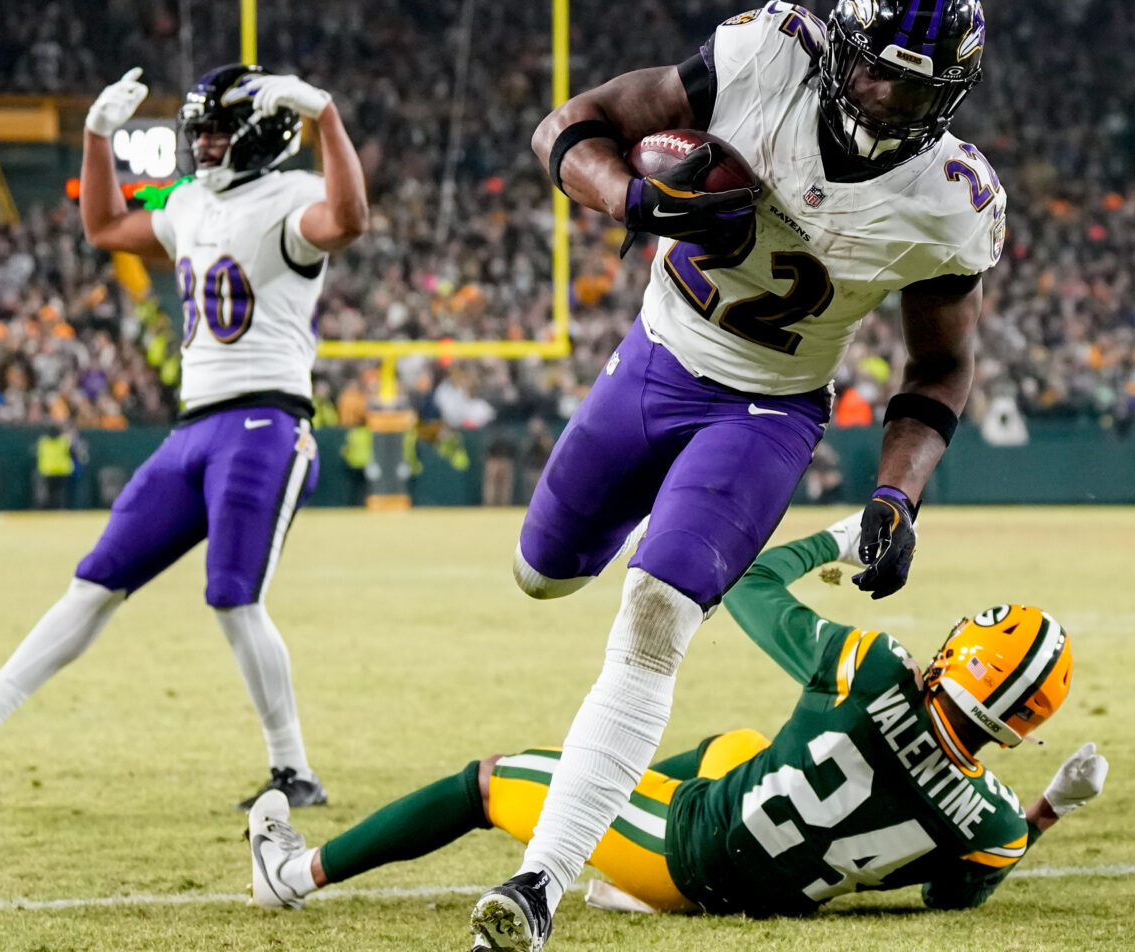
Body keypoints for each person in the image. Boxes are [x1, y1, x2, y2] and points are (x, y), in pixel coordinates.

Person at [479, 3, 1006, 945]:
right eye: (884, 73)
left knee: (654, 617)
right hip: (653, 362)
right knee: (541, 572)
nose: (895, 101)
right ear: (841, 50)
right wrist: (636, 202)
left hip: (769, 408)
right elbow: (566, 128)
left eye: (925, 88)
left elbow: (939, 368)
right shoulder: (764, 55)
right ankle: (665, 543)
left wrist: (898, 492)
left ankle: (539, 881)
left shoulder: (952, 198)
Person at [0, 63, 370, 809]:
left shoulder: (291, 196)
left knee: (233, 597)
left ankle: (292, 768)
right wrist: (95, 135)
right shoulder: (191, 202)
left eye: (215, 130)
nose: (201, 142)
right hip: (192, 425)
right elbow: (104, 227)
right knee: (96, 579)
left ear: (261, 135)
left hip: (266, 421)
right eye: (196, 129)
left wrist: (326, 118)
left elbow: (349, 220)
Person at [245, 517, 1105, 924]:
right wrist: (1049, 809)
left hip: (694, 858)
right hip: (780, 891)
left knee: (489, 781)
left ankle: (296, 872)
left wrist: (840, 542)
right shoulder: (992, 819)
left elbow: (752, 583)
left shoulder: (872, 670)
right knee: (736, 746)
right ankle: (628, 875)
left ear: (962, 654)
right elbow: (960, 890)